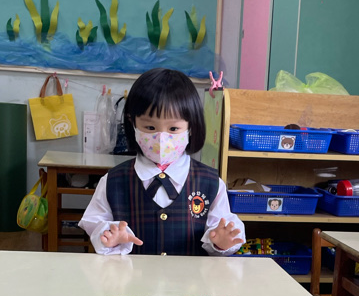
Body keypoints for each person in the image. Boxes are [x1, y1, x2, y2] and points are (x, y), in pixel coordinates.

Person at [79, 68, 245, 256]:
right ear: (132, 123)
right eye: (150, 127)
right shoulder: (112, 181)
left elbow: (221, 229)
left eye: (173, 128)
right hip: (132, 274)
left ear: (191, 126)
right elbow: (94, 222)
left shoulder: (211, 183)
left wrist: (221, 242)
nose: (161, 138)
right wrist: (108, 236)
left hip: (192, 275)